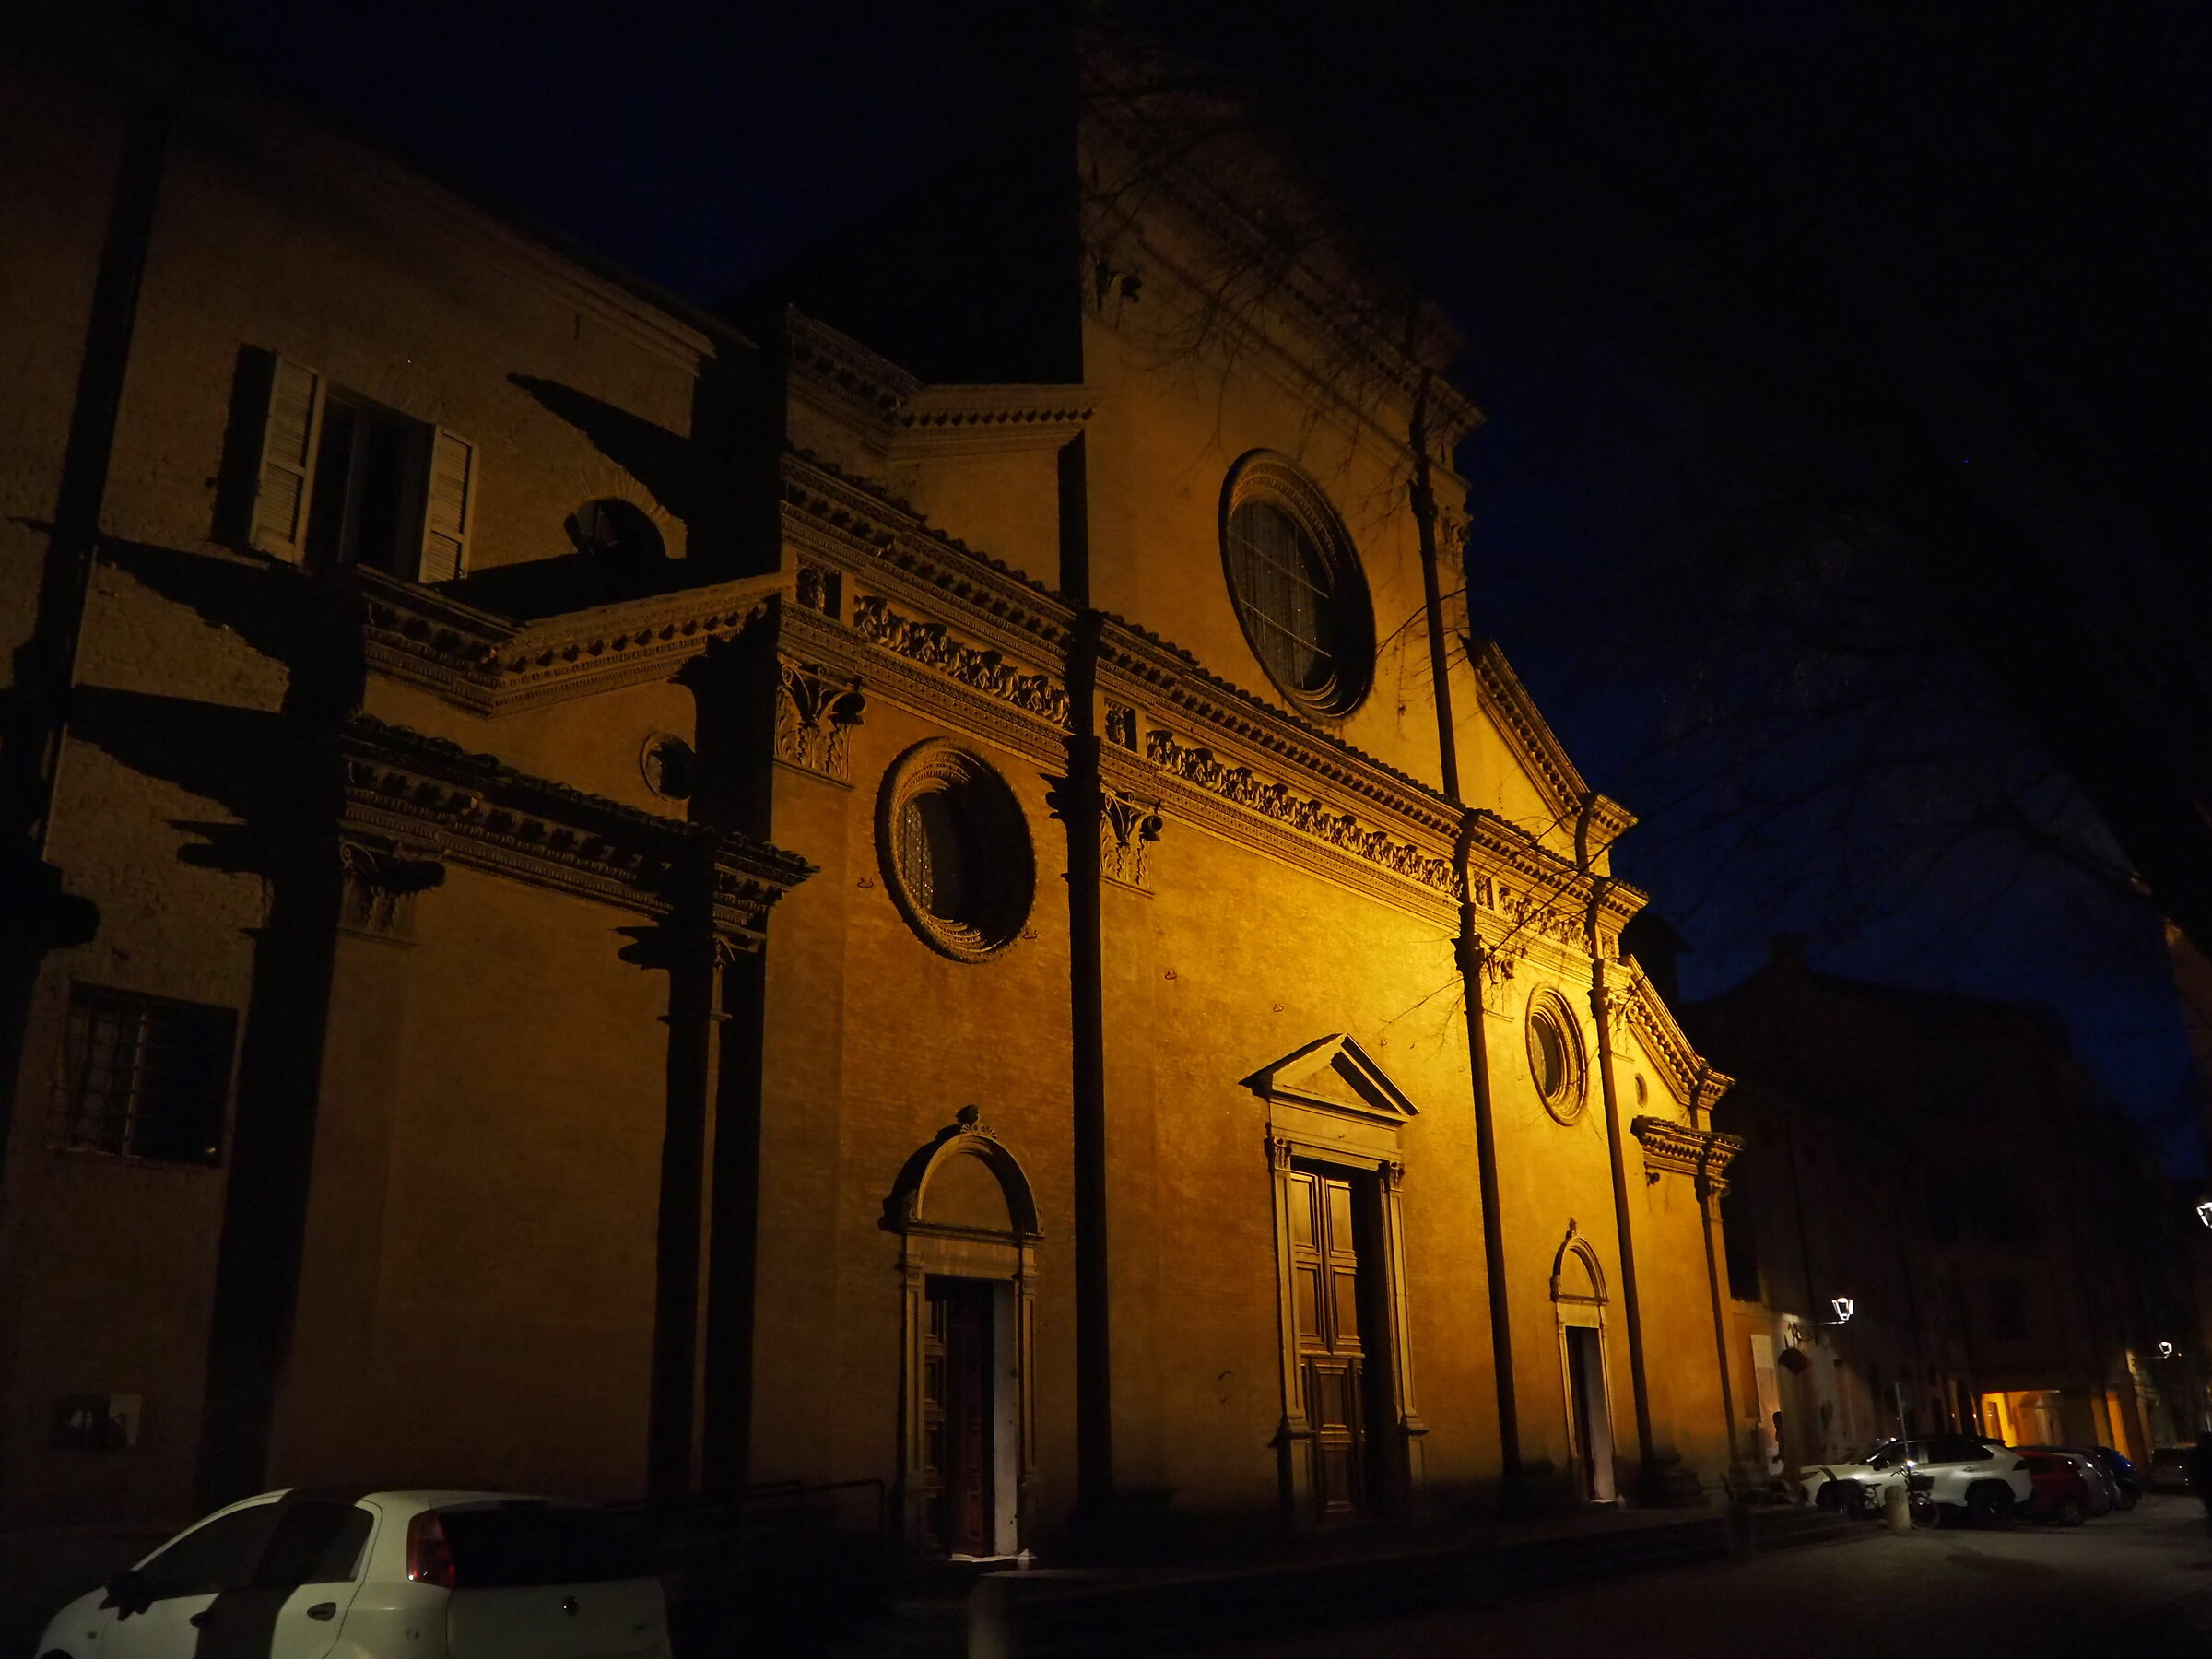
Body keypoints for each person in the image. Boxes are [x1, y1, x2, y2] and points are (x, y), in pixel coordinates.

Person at [2188, 1435, 2212, 1521]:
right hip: (2204, 1481)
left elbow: (2191, 1466)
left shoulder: (2197, 1451)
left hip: (2203, 1481)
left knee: (2208, 1500)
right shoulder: (2197, 1452)